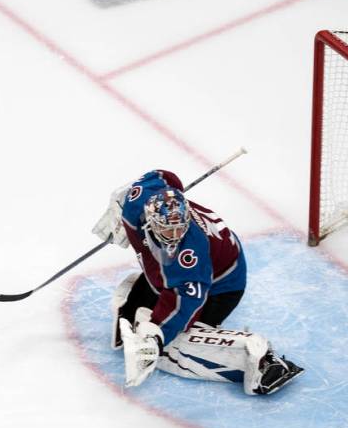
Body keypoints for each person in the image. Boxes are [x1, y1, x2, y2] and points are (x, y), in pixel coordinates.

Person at [92, 169, 303, 394]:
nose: (174, 235)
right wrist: (117, 209)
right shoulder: (137, 199)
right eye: (167, 228)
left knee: (172, 339)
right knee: (138, 313)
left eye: (179, 227)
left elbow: (186, 302)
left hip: (221, 287)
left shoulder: (190, 252)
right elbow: (165, 177)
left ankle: (264, 364)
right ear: (151, 217)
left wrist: (156, 336)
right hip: (200, 264)